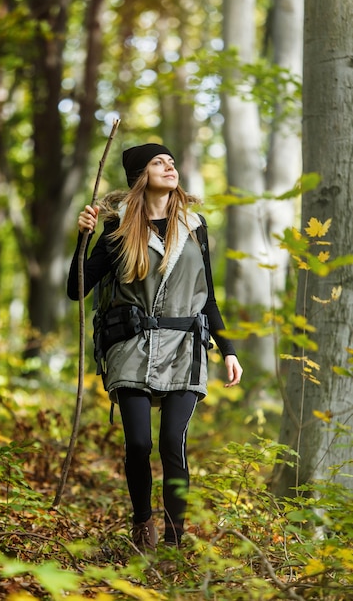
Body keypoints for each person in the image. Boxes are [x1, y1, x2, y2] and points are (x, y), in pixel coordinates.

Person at [67, 143, 242, 552]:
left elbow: (208, 297)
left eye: (172, 161)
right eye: (158, 162)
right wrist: (82, 239)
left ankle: (176, 541)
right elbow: (76, 290)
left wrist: (228, 348)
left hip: (185, 347)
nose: (169, 166)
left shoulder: (195, 226)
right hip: (130, 346)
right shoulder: (116, 228)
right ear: (140, 176)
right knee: (140, 445)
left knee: (171, 444)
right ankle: (142, 525)